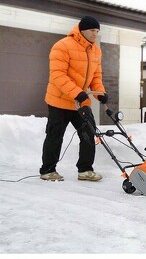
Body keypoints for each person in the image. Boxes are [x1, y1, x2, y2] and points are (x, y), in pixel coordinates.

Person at [39, 15, 108, 182]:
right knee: (55, 135)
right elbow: (58, 75)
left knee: (88, 133)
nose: (95, 34)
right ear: (82, 30)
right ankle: (48, 170)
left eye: (97, 31)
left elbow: (96, 76)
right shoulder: (62, 46)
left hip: (81, 102)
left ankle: (85, 170)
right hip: (59, 100)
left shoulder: (96, 50)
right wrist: (76, 92)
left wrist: (100, 93)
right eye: (92, 30)